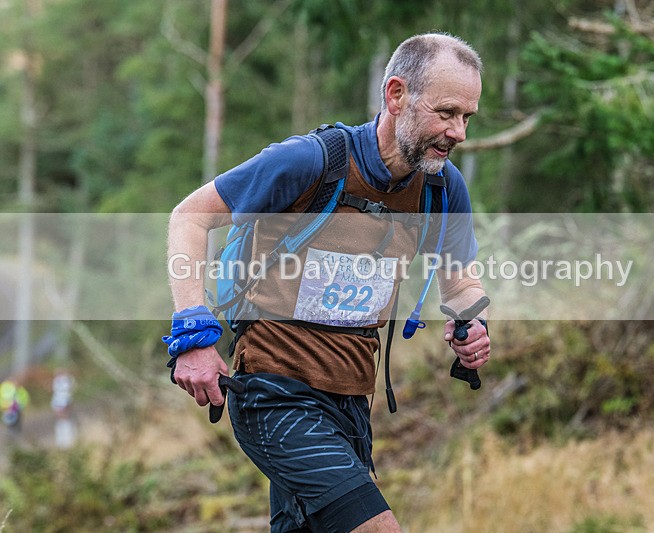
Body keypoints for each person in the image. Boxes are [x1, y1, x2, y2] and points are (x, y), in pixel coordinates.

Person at [165, 32, 491, 532]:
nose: (459, 133)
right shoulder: (311, 162)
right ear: (396, 95)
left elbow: (461, 283)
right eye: (446, 113)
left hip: (350, 405)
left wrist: (471, 322)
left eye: (467, 117)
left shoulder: (442, 188)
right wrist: (193, 330)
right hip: (274, 392)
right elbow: (190, 216)